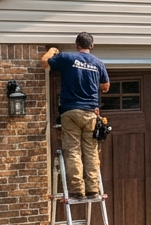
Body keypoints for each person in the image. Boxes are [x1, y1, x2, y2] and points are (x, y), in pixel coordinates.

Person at [41, 33, 109, 200]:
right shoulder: (98, 63)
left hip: (70, 111)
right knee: (91, 151)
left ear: (76, 44)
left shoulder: (67, 57)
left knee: (72, 151)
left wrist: (51, 50)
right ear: (91, 46)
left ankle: (77, 189)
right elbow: (106, 87)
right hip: (91, 114)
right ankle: (93, 188)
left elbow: (44, 63)